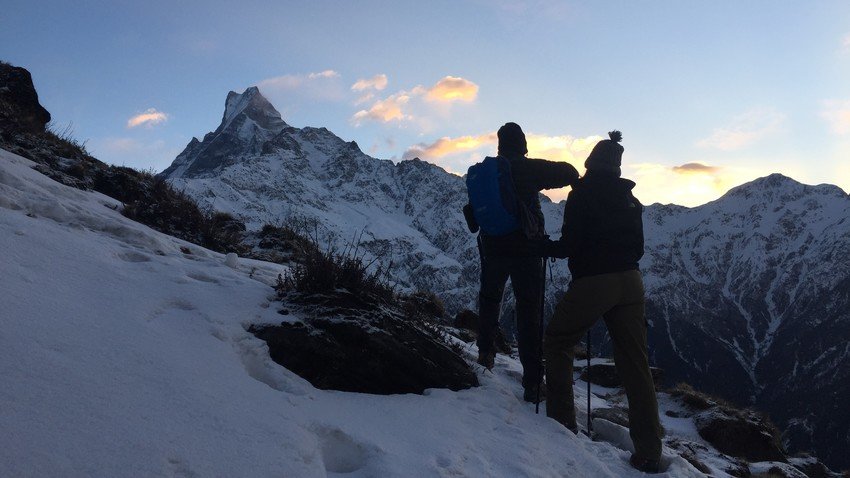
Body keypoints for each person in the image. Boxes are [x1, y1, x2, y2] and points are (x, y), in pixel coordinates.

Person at [540, 131, 664, 473]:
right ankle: (650, 449)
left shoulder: (581, 196)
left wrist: (544, 248)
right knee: (635, 364)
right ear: (618, 168)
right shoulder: (631, 201)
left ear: (591, 163)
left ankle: (561, 424)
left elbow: (569, 245)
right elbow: (638, 249)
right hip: (631, 282)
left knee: (559, 339)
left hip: (596, 281)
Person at [472, 122, 578, 402]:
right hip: (526, 250)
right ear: (523, 145)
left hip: (493, 248)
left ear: (499, 145)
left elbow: (473, 216)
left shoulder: (487, 172)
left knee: (489, 299)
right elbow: (569, 172)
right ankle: (533, 383)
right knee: (529, 312)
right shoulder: (527, 168)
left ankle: (485, 355)